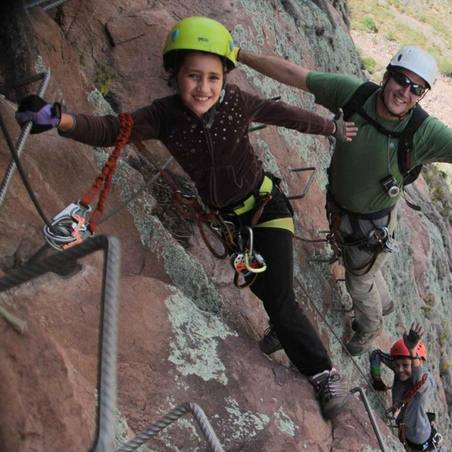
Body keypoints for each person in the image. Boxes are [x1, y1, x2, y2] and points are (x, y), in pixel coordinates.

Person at [14, 16, 358, 420]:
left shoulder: (236, 103)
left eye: (214, 77)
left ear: (225, 78)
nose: (204, 87)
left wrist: (330, 127)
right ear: (174, 74)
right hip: (231, 226)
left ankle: (324, 375)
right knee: (267, 290)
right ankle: (283, 330)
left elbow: (282, 114)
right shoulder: (164, 116)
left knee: (279, 297)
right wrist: (61, 121)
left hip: (267, 210)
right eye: (193, 75)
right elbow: (112, 130)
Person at [234, 45, 452, 356]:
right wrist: (237, 55)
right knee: (365, 271)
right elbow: (296, 75)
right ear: (387, 75)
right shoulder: (353, 95)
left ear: (422, 95)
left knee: (358, 281)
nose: (405, 91)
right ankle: (383, 302)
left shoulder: (423, 132)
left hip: (369, 223)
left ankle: (369, 326)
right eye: (401, 80)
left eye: (416, 88)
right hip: (343, 209)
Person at [370, 323, 447, 452]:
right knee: (426, 445)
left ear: (417, 362)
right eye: (396, 365)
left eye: (405, 365)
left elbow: (420, 379)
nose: (400, 370)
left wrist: (412, 351)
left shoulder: (425, 382)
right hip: (419, 426)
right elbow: (376, 354)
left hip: (418, 436)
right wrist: (376, 378)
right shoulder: (400, 367)